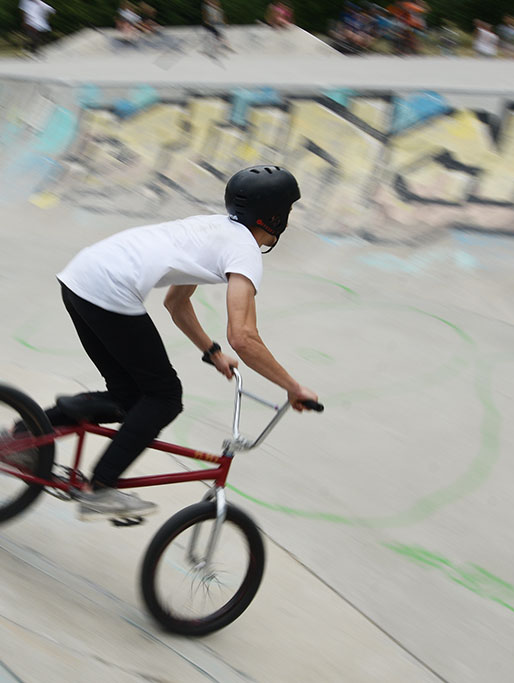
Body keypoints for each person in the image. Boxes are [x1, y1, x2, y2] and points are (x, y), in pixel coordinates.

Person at [54, 165, 319, 518]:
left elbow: (176, 303)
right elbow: (243, 336)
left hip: (80, 277)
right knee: (164, 398)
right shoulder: (244, 251)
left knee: (129, 398)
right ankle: (99, 489)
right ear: (276, 216)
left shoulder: (213, 228)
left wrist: (212, 352)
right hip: (109, 289)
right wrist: (292, 387)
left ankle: (25, 432)